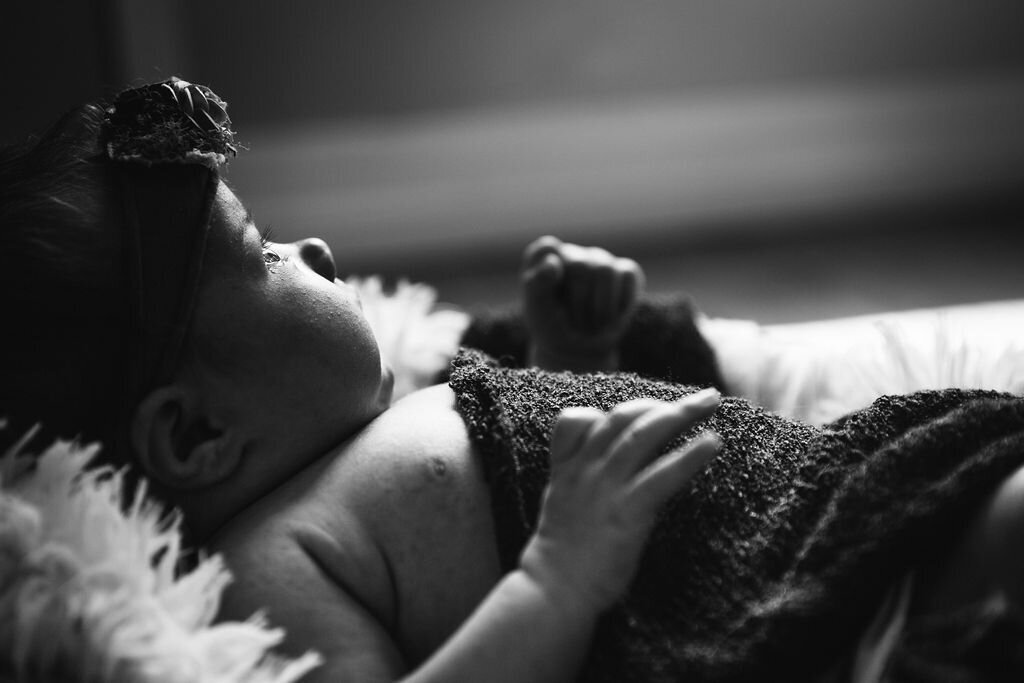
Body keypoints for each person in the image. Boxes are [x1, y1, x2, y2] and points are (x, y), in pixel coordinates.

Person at [2, 78, 1023, 683]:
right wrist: (559, 577)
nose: (310, 246)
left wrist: (562, 362)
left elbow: (514, 484)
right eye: (262, 251)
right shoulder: (274, 562)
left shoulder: (387, 423)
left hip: (835, 497)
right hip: (824, 608)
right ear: (194, 435)